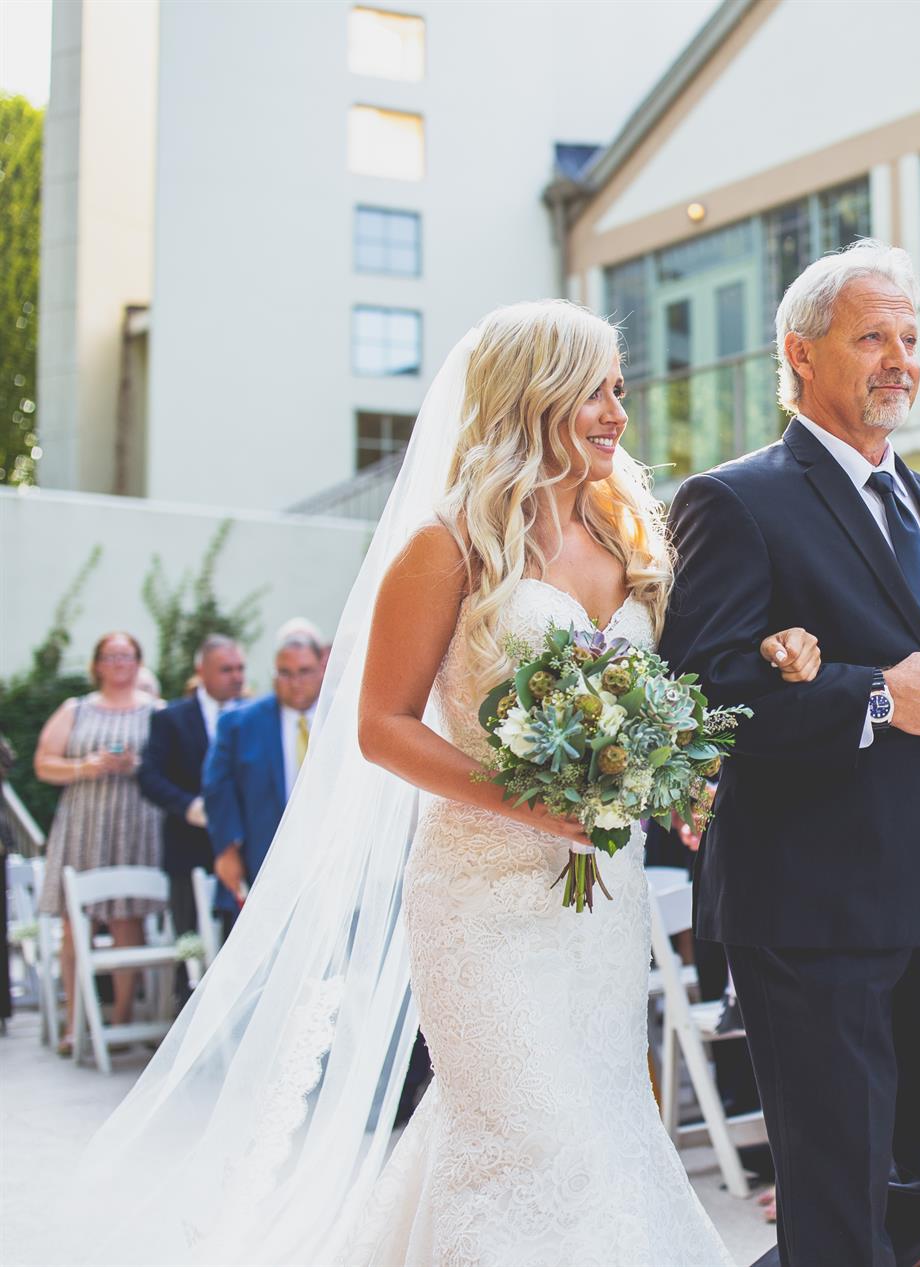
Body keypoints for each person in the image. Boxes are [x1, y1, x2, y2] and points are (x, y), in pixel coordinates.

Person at [70, 302, 753, 1264]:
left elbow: (668, 695)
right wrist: (526, 800)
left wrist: (671, 767)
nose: (617, 413)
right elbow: (380, 725)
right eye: (595, 392)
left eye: (618, 390)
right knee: (527, 1131)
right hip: (480, 898)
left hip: (599, 899)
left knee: (598, 1123)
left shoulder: (628, 535)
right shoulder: (448, 545)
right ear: (534, 397)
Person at [658, 241, 920, 1267]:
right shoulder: (734, 499)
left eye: (909, 337)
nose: (900, 358)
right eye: (873, 336)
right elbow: (701, 691)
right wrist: (875, 696)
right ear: (801, 351)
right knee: (837, 1174)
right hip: (813, 904)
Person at [33, 631, 164, 1049]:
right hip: (83, 824)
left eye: (126, 656)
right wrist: (85, 767)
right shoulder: (76, 709)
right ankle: (75, 1023)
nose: (119, 663)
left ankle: (122, 1019)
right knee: (76, 924)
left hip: (134, 823)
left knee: (128, 919)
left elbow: (173, 768)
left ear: (138, 662)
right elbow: (43, 763)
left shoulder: (157, 711)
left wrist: (135, 765)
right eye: (111, 656)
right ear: (97, 664)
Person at [201, 627, 325, 919]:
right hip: (265, 859)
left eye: (305, 671)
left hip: (330, 857)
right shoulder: (239, 723)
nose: (296, 682)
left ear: (321, 669)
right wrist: (227, 849)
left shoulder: (344, 717)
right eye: (285, 673)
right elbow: (217, 789)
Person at [138, 634, 247, 935]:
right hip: (189, 848)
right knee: (192, 941)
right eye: (226, 669)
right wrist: (189, 806)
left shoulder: (255, 715)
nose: (236, 677)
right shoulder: (170, 719)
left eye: (240, 668)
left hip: (246, 848)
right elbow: (149, 777)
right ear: (201, 671)